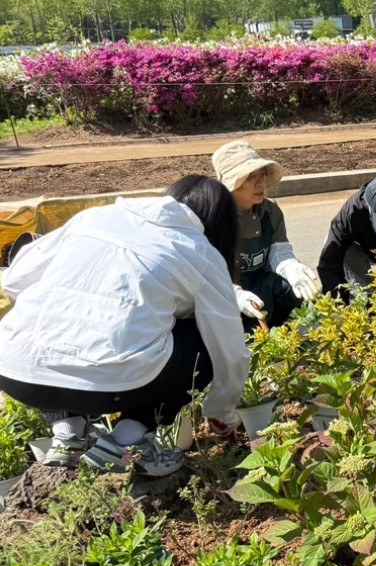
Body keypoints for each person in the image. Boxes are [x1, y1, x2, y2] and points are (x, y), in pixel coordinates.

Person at [0, 176, 249, 477]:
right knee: (202, 338)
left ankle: (68, 430)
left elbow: (15, 279)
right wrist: (222, 413)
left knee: (60, 325)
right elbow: (229, 348)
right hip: (111, 386)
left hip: (15, 372)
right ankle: (128, 441)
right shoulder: (199, 250)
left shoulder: (98, 216)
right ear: (221, 225)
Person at [211, 140, 321, 327]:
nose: (261, 182)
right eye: (251, 177)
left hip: (262, 287)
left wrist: (290, 266)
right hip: (223, 296)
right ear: (233, 183)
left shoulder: (271, 211)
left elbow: (279, 252)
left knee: (293, 290)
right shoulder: (213, 218)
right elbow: (206, 274)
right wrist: (233, 293)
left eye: (263, 175)